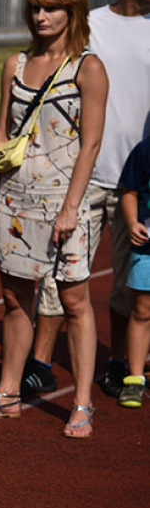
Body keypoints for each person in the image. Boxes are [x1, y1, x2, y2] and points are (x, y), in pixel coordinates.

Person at [0, 0, 108, 439]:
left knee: (74, 301)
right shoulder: (15, 64)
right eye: (36, 8)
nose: (42, 16)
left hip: (63, 205)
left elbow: (90, 145)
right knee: (14, 299)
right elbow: (0, 135)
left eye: (52, 7)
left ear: (73, 12)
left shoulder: (87, 68)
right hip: (15, 202)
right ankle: (8, 392)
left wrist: (73, 207)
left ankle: (83, 401)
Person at [28, 0, 150, 400]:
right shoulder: (93, 25)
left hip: (137, 182)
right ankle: (39, 363)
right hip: (83, 175)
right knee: (60, 275)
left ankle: (117, 363)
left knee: (129, 282)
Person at [117, 139, 150, 408]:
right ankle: (135, 378)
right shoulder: (145, 150)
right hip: (148, 247)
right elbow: (129, 190)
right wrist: (131, 222)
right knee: (142, 310)